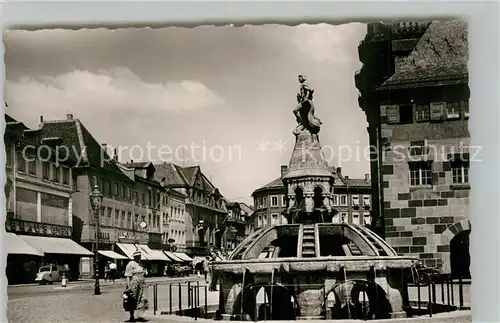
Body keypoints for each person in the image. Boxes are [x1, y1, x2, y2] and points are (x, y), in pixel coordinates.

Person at [124, 250, 149, 322]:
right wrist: (128, 286)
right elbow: (128, 276)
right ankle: (131, 316)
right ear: (135, 257)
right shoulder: (130, 264)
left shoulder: (140, 263)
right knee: (132, 299)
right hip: (134, 284)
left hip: (141, 284)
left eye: (140, 256)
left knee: (142, 298)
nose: (139, 258)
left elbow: (142, 272)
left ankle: (139, 315)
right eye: (138, 256)